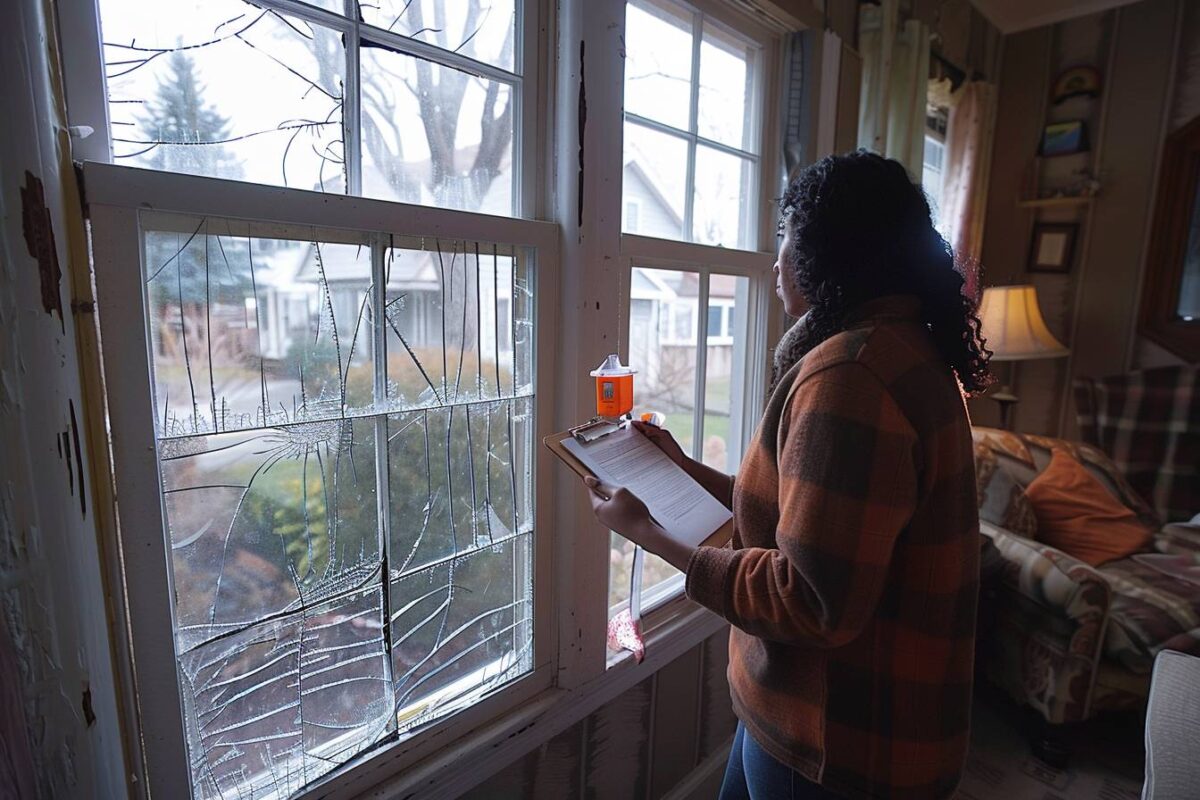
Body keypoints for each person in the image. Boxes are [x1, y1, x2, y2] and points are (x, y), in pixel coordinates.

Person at [584, 151, 991, 799]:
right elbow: (799, 522)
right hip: (814, 715)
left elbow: (811, 600)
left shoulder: (851, 378)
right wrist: (682, 466)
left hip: (841, 743)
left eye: (787, 238)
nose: (775, 262)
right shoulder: (903, 349)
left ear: (830, 254)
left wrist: (650, 535)